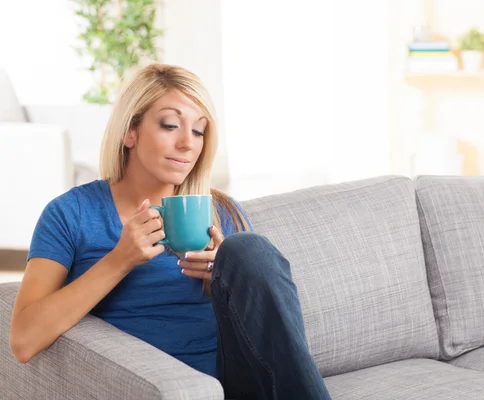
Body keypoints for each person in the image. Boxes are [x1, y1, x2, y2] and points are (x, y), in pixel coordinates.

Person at [9, 64, 332, 400]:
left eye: (199, 131)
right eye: (170, 125)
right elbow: (24, 340)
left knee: (248, 250)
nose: (187, 143)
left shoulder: (221, 212)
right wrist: (120, 260)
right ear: (129, 132)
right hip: (159, 385)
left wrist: (226, 276)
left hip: (240, 378)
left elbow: (272, 333)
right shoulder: (71, 213)